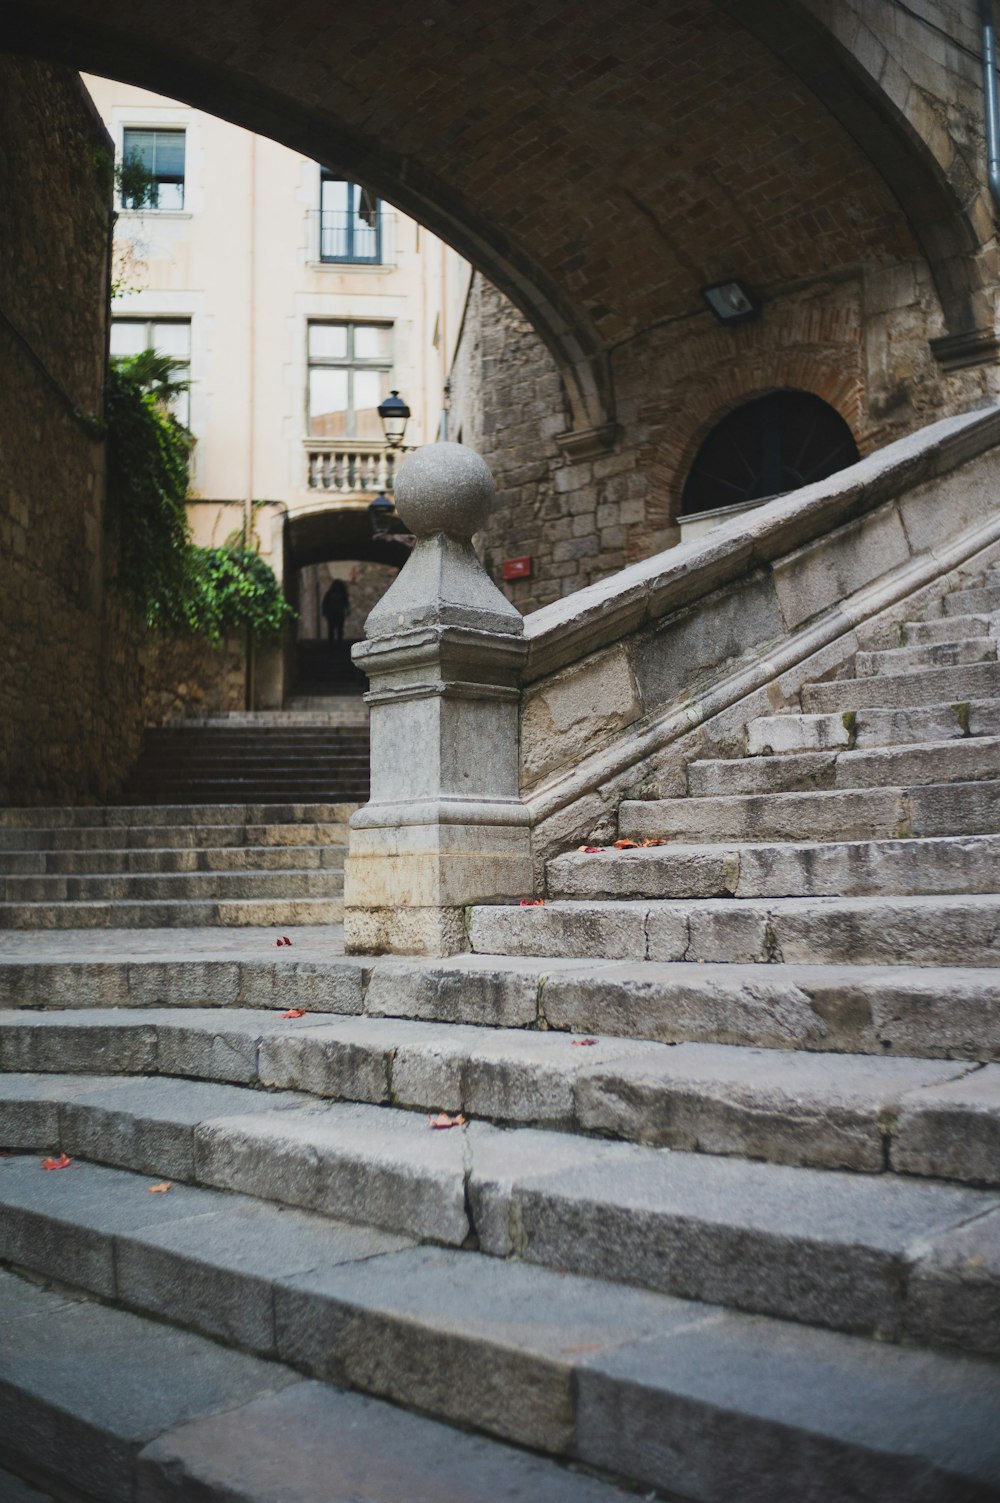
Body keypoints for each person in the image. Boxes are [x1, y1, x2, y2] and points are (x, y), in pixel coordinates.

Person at [321, 577, 349, 642]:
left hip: (339, 613)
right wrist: (324, 611)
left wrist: (347, 610)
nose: (337, 587)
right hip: (331, 613)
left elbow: (346, 603)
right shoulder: (330, 593)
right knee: (331, 629)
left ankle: (339, 642)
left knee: (340, 629)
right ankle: (331, 643)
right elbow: (325, 602)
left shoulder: (343, 594)